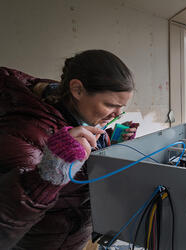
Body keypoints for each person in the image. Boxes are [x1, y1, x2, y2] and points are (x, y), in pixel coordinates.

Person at [0, 50, 137, 249]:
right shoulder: (24, 132)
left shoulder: (77, 116)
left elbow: (81, 175)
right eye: (110, 105)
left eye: (122, 107)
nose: (118, 114)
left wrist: (112, 143)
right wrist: (49, 173)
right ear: (77, 89)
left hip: (74, 237)